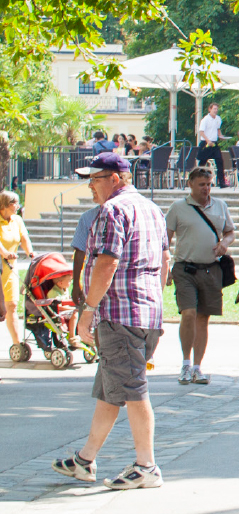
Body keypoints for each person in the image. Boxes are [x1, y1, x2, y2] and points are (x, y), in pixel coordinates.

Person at [53, 152, 169, 490]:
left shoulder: (113, 210)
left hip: (120, 313)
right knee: (110, 389)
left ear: (115, 179)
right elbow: (163, 260)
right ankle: (84, 460)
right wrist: (155, 309)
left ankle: (147, 465)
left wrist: (88, 310)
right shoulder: (152, 209)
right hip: (145, 311)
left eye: (95, 178)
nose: (90, 185)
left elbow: (107, 263)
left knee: (133, 391)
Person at [164, 167, 232, 385]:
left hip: (211, 269)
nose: (206, 188)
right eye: (202, 184)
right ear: (190, 184)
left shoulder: (220, 206)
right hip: (185, 268)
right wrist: (165, 268)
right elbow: (166, 239)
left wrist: (225, 243)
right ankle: (185, 364)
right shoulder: (178, 207)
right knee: (189, 313)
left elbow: (230, 231)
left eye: (209, 184)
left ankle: (197, 367)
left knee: (203, 318)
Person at [0, 191, 33, 361]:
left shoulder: (17, 220)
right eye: (15, 203)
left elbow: (24, 238)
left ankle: (16, 343)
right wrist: (4, 252)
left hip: (9, 268)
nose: (18, 206)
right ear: (5, 204)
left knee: (12, 305)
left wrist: (31, 253)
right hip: (2, 264)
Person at [195, 101, 228, 188]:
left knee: (220, 161)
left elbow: (218, 129)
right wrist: (207, 140)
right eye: (214, 109)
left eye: (217, 109)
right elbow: (201, 132)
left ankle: (222, 182)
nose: (216, 110)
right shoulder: (205, 120)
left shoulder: (218, 118)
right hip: (206, 142)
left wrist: (220, 136)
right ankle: (197, 180)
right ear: (210, 109)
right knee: (202, 162)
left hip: (214, 143)